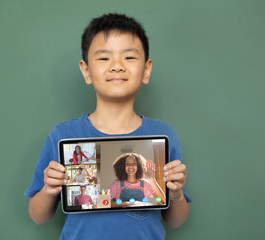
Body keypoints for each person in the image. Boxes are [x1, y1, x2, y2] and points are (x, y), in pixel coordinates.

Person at [25, 13, 192, 240]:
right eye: (104, 58)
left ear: (146, 70)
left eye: (129, 58)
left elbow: (176, 220)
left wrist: (177, 194)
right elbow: (38, 216)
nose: (116, 66)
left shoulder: (163, 136)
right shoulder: (63, 135)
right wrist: (48, 189)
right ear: (86, 71)